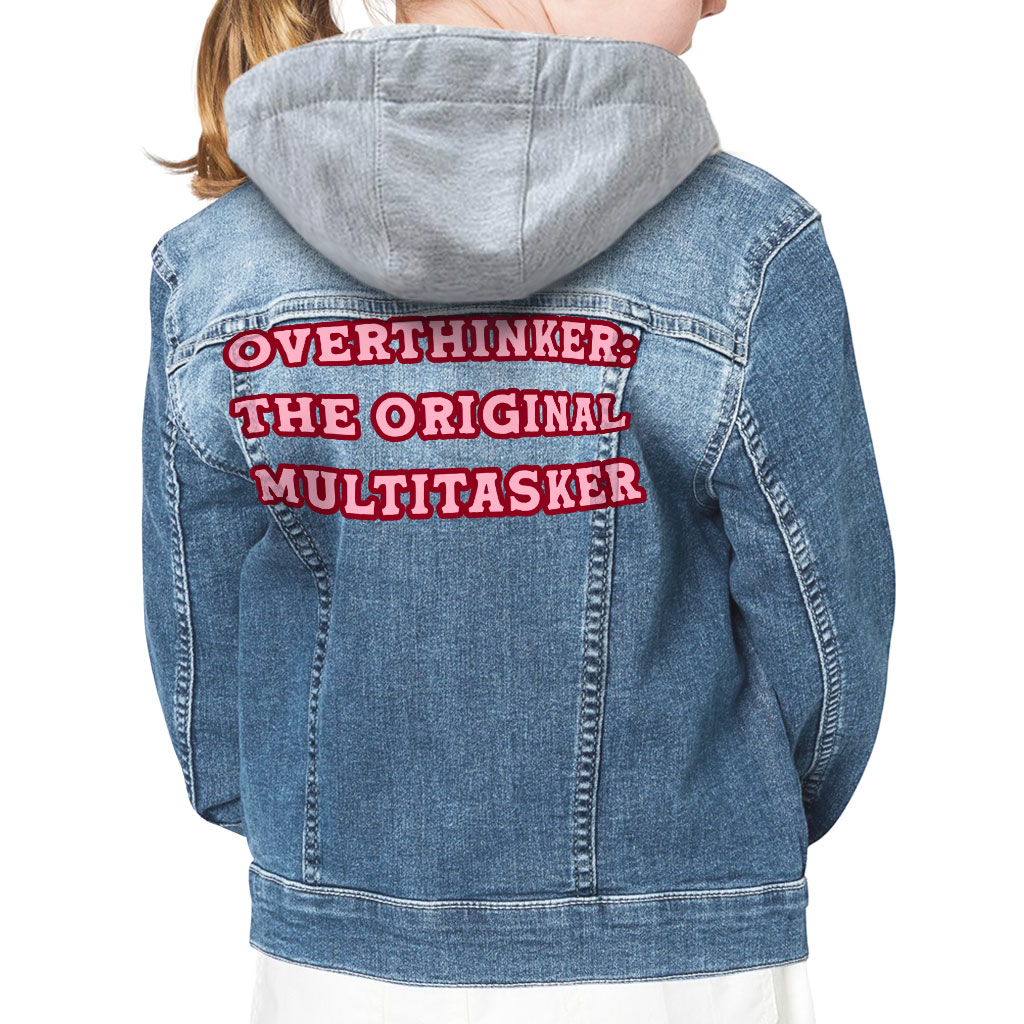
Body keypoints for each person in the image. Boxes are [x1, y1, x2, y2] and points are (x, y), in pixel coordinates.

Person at [142, 1, 895, 1021]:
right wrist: (714, 827)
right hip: (684, 965)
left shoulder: (217, 267)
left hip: (339, 967)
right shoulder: (746, 250)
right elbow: (827, 666)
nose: (722, 0)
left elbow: (211, 701)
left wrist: (332, 850)